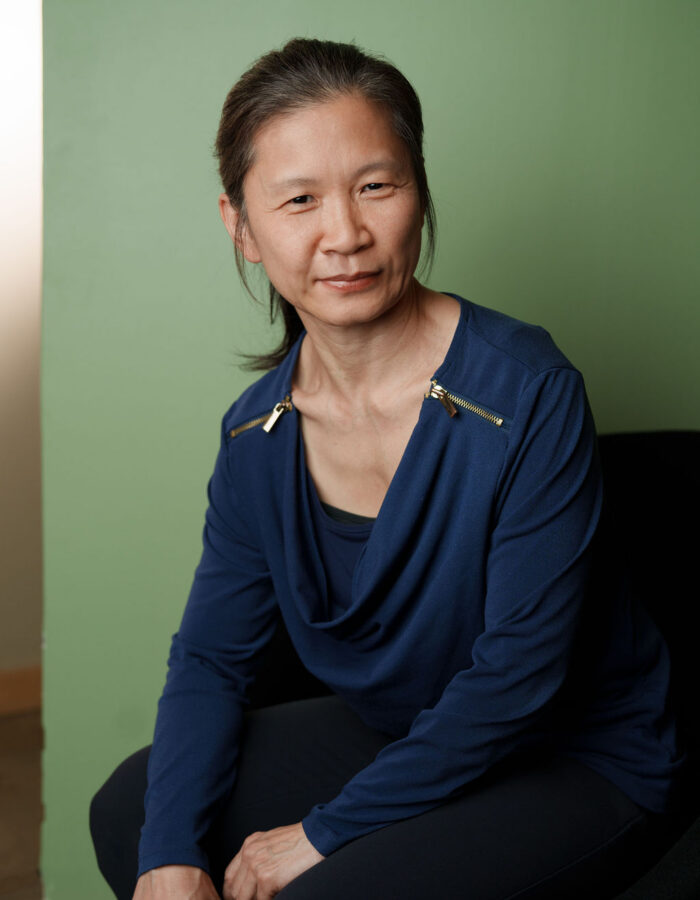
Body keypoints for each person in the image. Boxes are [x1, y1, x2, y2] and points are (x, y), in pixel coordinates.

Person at [90, 38, 683, 900]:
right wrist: (168, 856)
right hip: (405, 732)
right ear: (241, 225)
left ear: (419, 190)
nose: (346, 235)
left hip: (576, 755)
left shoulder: (525, 389)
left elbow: (520, 677)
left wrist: (324, 832)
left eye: (377, 186)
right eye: (299, 199)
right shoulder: (257, 433)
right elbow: (213, 660)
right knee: (138, 814)